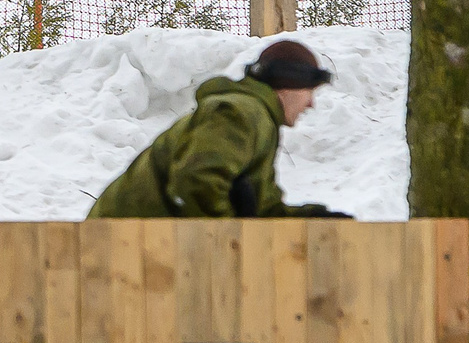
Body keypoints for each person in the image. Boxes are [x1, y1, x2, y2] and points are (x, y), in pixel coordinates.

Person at [88, 38, 350, 220]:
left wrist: (310, 220)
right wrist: (232, 245)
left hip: (136, 244)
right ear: (289, 84)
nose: (311, 104)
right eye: (310, 92)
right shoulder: (239, 113)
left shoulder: (258, 120)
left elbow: (261, 212)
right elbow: (196, 183)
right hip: (119, 248)